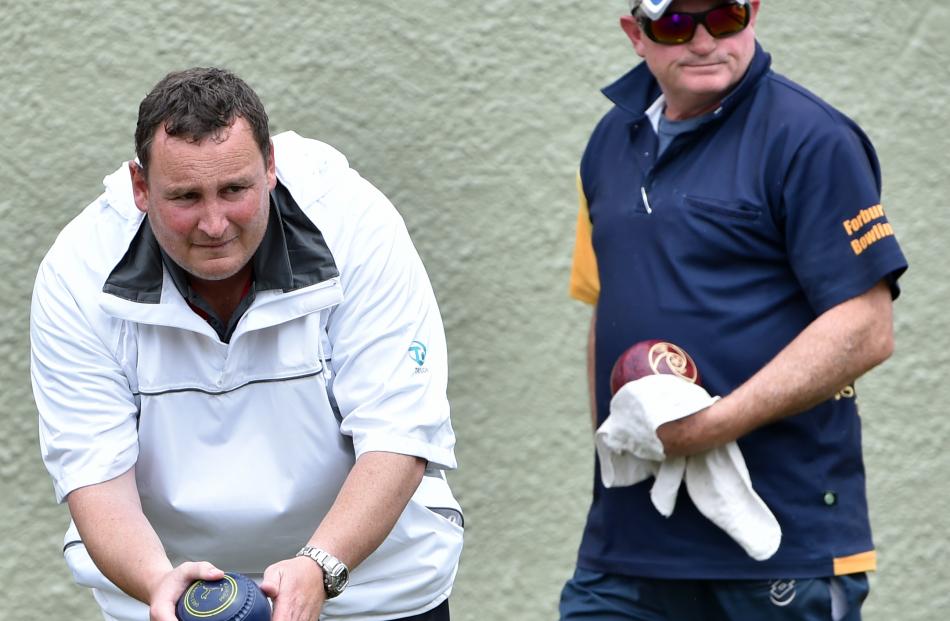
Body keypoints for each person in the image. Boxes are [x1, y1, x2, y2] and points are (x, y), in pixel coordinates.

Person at [31, 67, 463, 621]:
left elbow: (399, 431)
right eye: (186, 196)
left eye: (234, 189)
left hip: (372, 588)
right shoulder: (77, 272)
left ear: (270, 167)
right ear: (141, 187)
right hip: (176, 596)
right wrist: (158, 584)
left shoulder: (357, 225)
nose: (214, 223)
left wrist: (320, 566)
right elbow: (93, 473)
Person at [562, 0, 907, 619]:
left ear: (753, 15)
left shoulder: (812, 139)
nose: (702, 41)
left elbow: (867, 326)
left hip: (781, 548)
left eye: (724, 17)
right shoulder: (611, 140)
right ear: (635, 35)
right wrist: (618, 439)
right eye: (674, 24)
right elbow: (606, 305)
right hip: (628, 545)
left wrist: (710, 428)